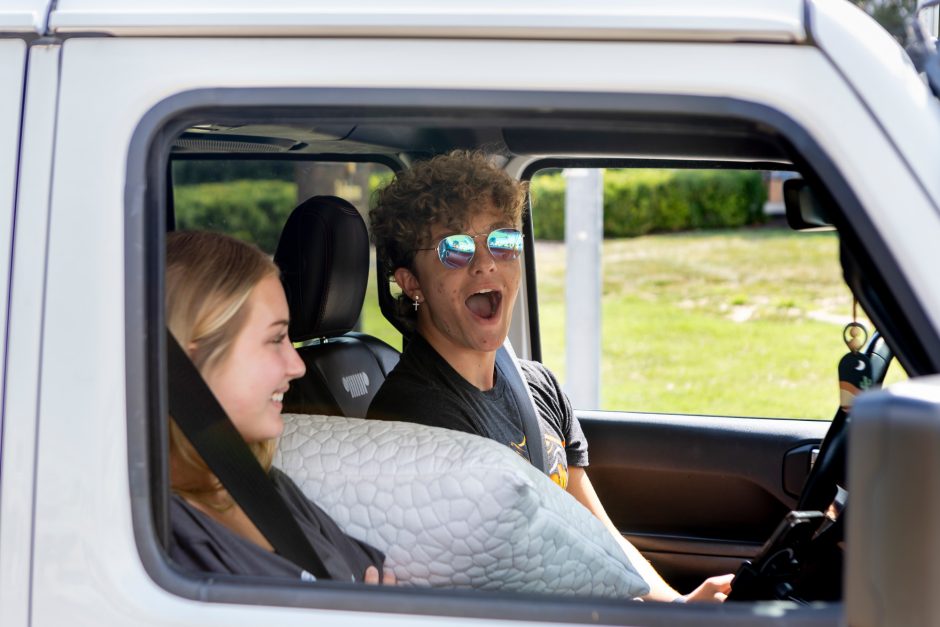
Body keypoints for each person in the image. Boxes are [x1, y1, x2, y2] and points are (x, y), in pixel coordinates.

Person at [367, 150, 732, 602]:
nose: (485, 263)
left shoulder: (537, 386)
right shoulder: (412, 419)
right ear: (411, 282)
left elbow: (598, 534)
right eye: (455, 248)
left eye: (502, 241)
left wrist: (678, 607)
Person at [166, 230, 393, 585]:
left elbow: (372, 574)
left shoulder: (259, 481)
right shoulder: (166, 545)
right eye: (275, 339)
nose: (297, 365)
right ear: (188, 357)